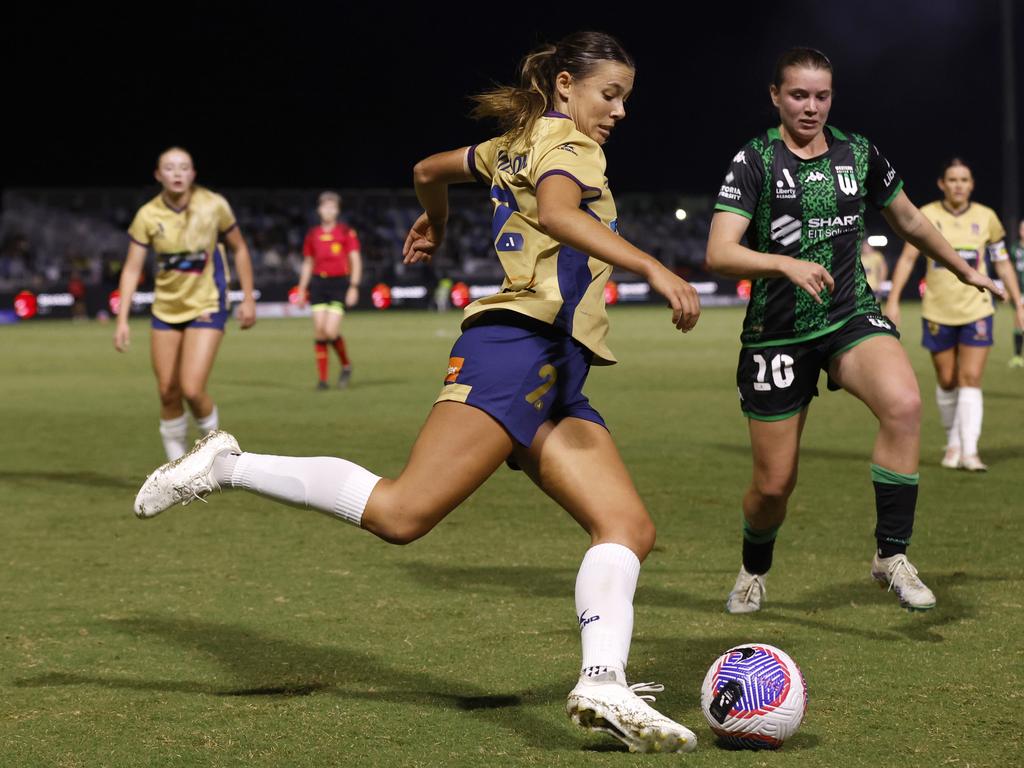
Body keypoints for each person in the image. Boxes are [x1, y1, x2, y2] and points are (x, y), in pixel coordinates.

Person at [132, 32, 701, 753]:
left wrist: (435, 218)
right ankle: (226, 466)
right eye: (608, 94)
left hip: (555, 364)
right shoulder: (573, 147)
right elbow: (560, 214)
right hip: (517, 351)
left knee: (627, 526)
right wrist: (653, 265)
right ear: (565, 85)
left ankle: (602, 680)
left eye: (626, 98)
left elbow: (428, 167)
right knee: (402, 513)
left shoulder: (513, 142)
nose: (618, 110)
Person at [705, 48, 1005, 615]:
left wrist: (963, 266)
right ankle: (754, 568)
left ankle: (890, 556)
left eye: (821, 96)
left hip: (849, 315)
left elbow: (911, 219)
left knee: (904, 402)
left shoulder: (858, 153)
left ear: (832, 97)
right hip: (777, 333)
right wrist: (785, 264)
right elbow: (719, 252)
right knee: (773, 488)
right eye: (798, 95)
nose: (811, 107)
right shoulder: (755, 160)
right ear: (775, 96)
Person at [114, 147, 256, 460]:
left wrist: (247, 297)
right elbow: (132, 268)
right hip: (165, 309)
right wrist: (122, 319)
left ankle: (220, 457)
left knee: (192, 389)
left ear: (193, 174)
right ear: (158, 175)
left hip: (207, 303)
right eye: (170, 168)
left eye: (184, 167)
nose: (177, 173)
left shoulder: (214, 204)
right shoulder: (147, 215)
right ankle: (177, 468)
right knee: (168, 391)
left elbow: (240, 249)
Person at [885, 159, 1024, 471]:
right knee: (947, 380)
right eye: (953, 179)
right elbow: (908, 260)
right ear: (942, 184)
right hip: (938, 310)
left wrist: (1019, 303)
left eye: (964, 179)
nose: (959, 184)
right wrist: (893, 301)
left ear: (972, 184)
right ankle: (953, 443)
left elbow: (1001, 263)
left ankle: (970, 451)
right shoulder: (928, 215)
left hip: (977, 310)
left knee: (970, 378)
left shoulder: (987, 217)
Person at [296, 191, 363, 389]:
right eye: (325, 206)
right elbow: (308, 263)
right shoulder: (313, 234)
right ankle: (323, 380)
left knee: (331, 331)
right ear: (319, 210)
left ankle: (346, 364)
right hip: (318, 284)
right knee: (320, 333)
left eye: (332, 207)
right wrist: (301, 289)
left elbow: (355, 260)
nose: (328, 210)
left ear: (338, 210)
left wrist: (354, 286)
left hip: (338, 284)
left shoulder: (345, 232)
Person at [1010, 218, 1024, 367]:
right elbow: (1011, 269)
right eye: (1022, 229)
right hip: (1020, 291)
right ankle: (1017, 356)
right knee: (1019, 321)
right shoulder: (1015, 249)